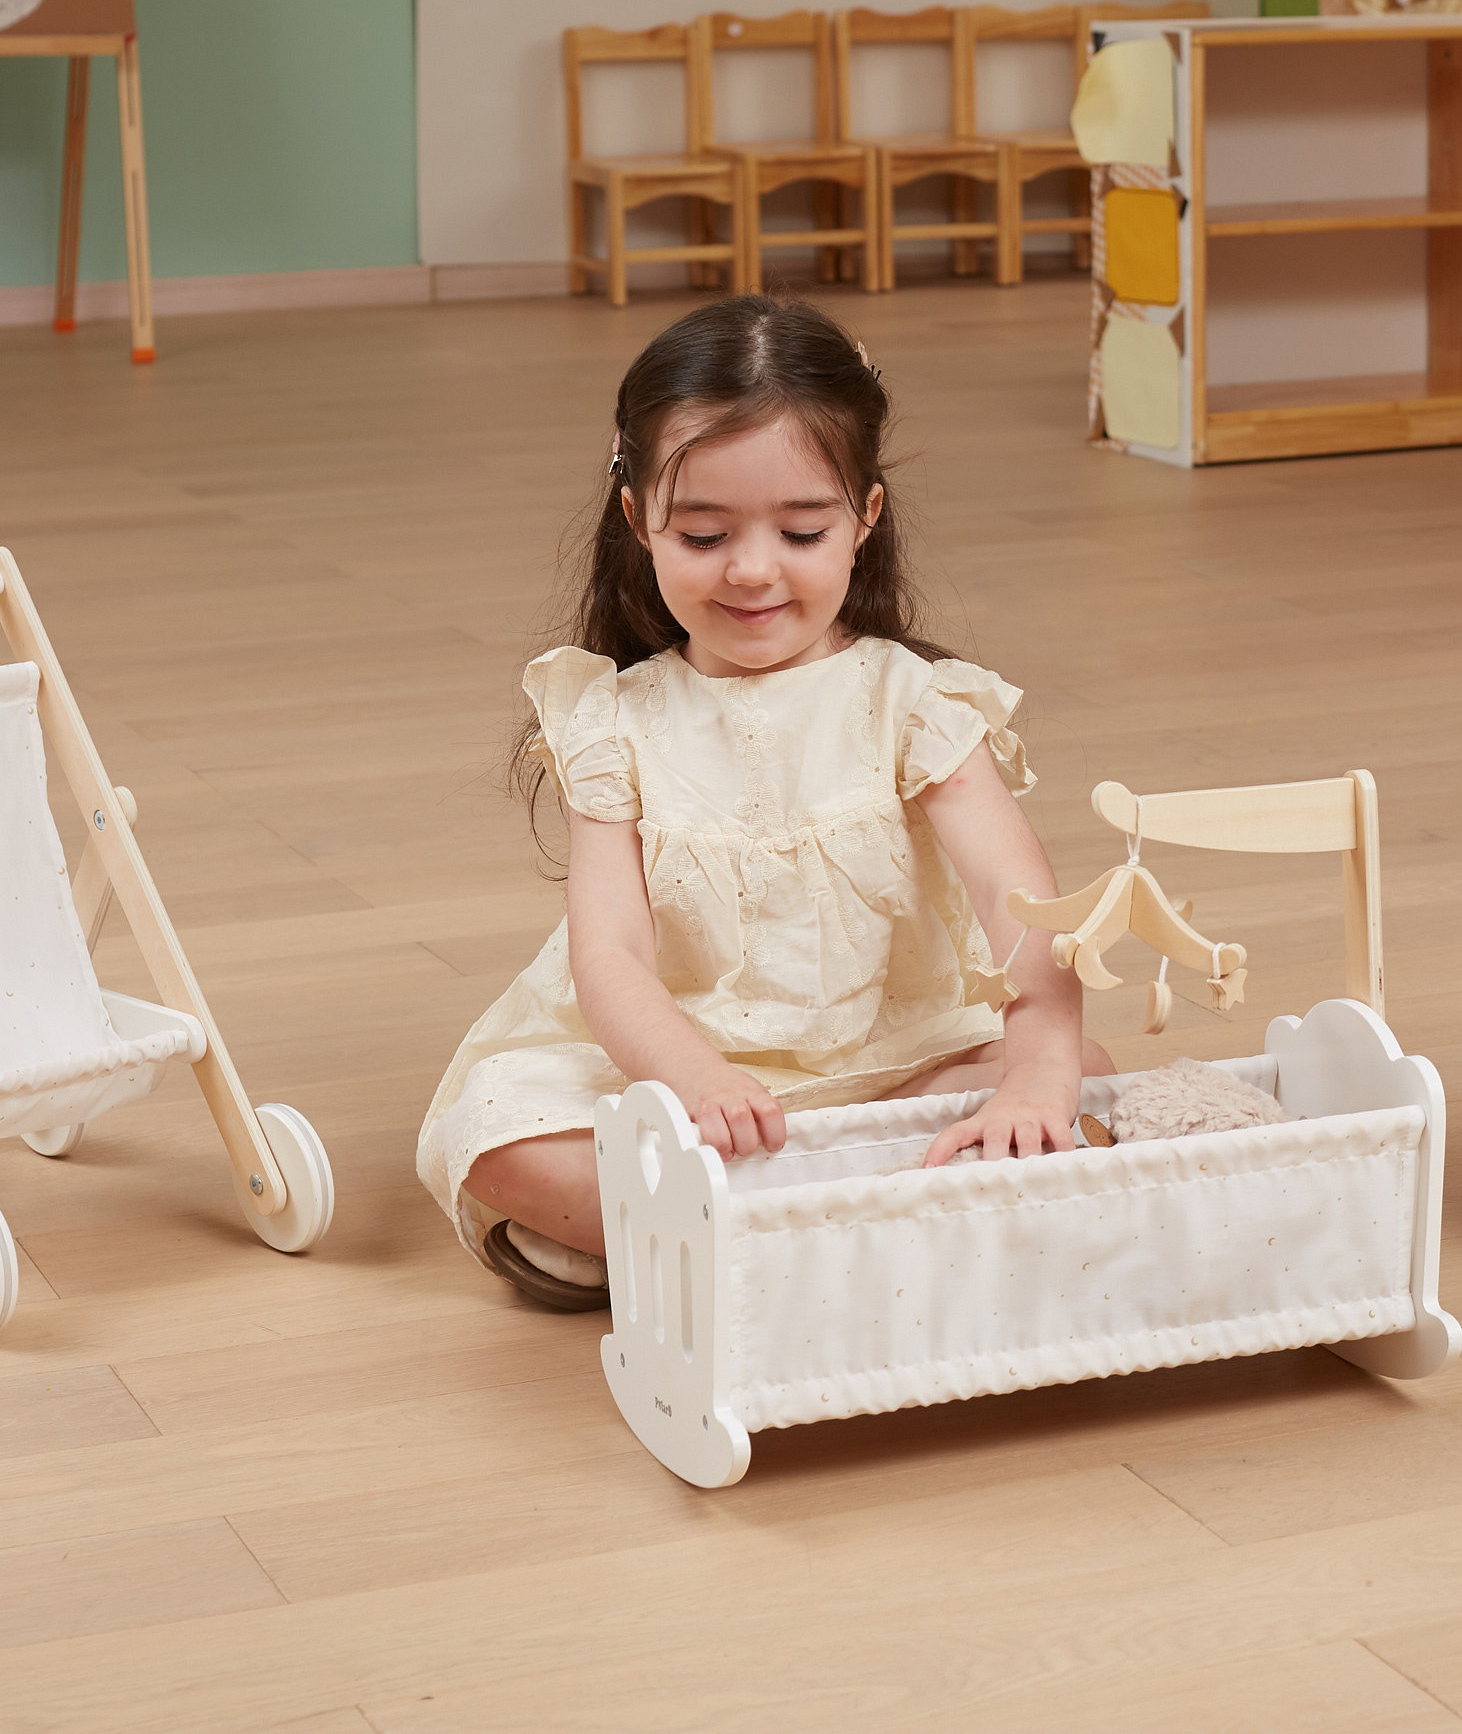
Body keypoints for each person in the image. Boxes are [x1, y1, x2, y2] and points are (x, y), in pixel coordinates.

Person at [416, 294, 1111, 1309]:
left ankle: (711, 1236)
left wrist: (1038, 1076)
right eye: (703, 535)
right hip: (675, 1071)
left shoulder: (916, 703)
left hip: (894, 1056)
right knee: (499, 1140)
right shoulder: (612, 722)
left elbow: (1026, 913)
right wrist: (693, 1076)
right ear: (637, 520)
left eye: (800, 530)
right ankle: (860, 1223)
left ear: (865, 517)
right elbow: (609, 956)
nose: (751, 570)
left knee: (1085, 1077)